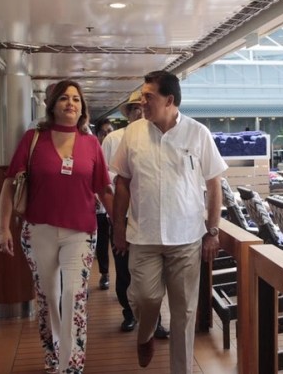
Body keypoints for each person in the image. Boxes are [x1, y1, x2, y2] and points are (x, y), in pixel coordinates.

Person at [110, 70, 227, 373]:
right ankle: (146, 332)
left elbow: (214, 184)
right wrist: (118, 227)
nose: (142, 102)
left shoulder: (198, 133)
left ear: (169, 100)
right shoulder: (133, 133)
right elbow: (122, 183)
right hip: (143, 235)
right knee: (145, 298)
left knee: (184, 313)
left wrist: (213, 231)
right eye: (142, 96)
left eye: (149, 96)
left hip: (186, 238)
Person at [0, 80, 113, 374]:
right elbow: (10, 184)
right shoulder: (33, 138)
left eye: (76, 99)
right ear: (52, 106)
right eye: (64, 98)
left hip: (81, 232)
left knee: (73, 296)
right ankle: (53, 355)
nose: (70, 103)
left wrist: (123, 230)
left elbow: (103, 189)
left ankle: (70, 366)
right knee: (49, 297)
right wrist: (3, 228)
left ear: (82, 108)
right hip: (39, 230)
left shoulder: (91, 144)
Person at [101, 91, 169, 337]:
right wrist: (115, 218)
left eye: (144, 106)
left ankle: (154, 320)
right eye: (135, 108)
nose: (140, 111)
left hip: (150, 218)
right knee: (123, 269)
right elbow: (105, 179)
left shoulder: (160, 137)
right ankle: (128, 313)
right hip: (122, 215)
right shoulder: (114, 139)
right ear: (128, 114)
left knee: (153, 275)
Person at [94, 118, 115, 290]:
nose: (106, 135)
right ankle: (86, 278)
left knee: (104, 242)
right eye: (103, 133)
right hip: (92, 206)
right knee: (90, 243)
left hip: (109, 206)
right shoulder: (92, 151)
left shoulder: (117, 151)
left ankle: (106, 274)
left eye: (109, 132)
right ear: (97, 135)